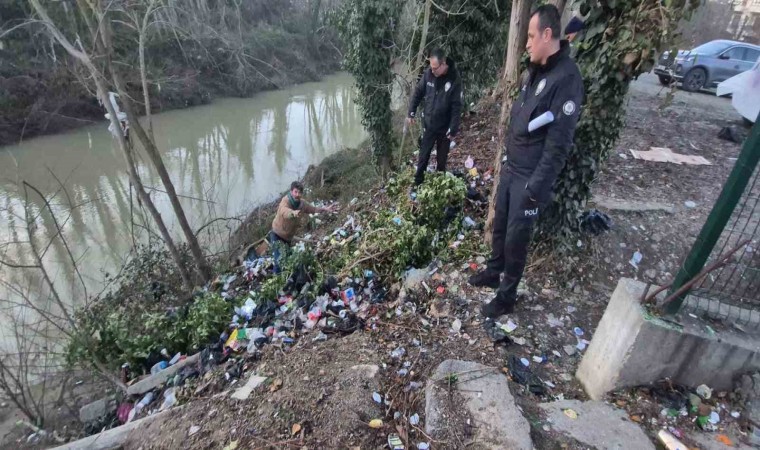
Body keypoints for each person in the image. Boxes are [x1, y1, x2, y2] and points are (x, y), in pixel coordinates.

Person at [468, 4, 584, 318]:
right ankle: (493, 272)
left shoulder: (566, 80)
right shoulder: (535, 70)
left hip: (531, 177)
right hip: (512, 167)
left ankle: (506, 296)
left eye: (532, 36)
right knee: (501, 225)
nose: (528, 43)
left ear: (548, 34)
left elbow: (558, 147)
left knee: (517, 238)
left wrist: (536, 188)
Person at [406, 48, 463, 186]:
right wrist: (411, 112)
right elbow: (418, 93)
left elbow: (457, 106)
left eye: (435, 68)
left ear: (443, 64)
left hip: (445, 129)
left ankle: (439, 186)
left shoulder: (454, 79)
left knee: (441, 160)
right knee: (423, 156)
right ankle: (418, 183)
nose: (432, 71)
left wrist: (453, 128)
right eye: (430, 67)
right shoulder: (428, 74)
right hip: (429, 125)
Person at [269, 181, 336, 271]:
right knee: (279, 261)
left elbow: (314, 209)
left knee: (286, 261)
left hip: (288, 238)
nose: (297, 194)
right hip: (277, 234)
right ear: (291, 191)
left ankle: (284, 279)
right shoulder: (285, 201)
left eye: (300, 192)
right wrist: (293, 213)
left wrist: (325, 209)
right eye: (295, 192)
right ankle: (276, 281)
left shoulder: (302, 204)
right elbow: (284, 211)